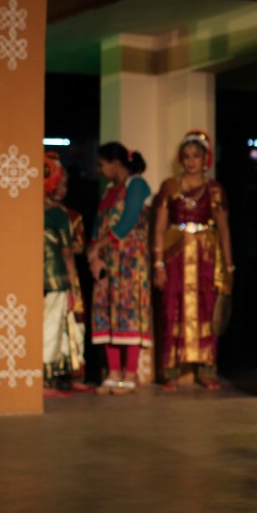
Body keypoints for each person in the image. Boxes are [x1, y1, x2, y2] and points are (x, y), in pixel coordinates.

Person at [152, 130, 233, 390]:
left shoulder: (214, 190)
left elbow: (223, 229)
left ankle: (207, 370)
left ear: (205, 159)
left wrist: (229, 266)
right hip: (175, 254)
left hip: (206, 257)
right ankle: (170, 372)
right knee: (170, 307)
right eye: (186, 156)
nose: (191, 161)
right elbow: (159, 227)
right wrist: (158, 264)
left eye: (196, 156)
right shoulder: (170, 187)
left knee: (206, 307)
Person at [88, 142, 153, 395]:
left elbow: (127, 221)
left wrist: (99, 245)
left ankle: (130, 373)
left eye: (102, 164)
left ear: (115, 164)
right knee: (107, 311)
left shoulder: (136, 185)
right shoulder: (108, 191)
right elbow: (98, 225)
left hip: (130, 261)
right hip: (107, 262)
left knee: (129, 312)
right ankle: (113, 372)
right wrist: (95, 255)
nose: (101, 170)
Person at [41, 154, 83, 396]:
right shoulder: (58, 215)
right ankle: (44, 380)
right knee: (50, 328)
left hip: (30, 278)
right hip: (55, 278)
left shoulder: (24, 210)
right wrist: (72, 286)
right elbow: (67, 254)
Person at [51, 167, 93, 392]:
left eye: (64, 185)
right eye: (56, 184)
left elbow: (79, 245)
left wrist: (68, 246)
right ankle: (51, 374)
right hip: (50, 274)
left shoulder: (73, 216)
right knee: (50, 323)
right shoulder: (40, 212)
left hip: (69, 275)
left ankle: (76, 374)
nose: (60, 190)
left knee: (75, 323)